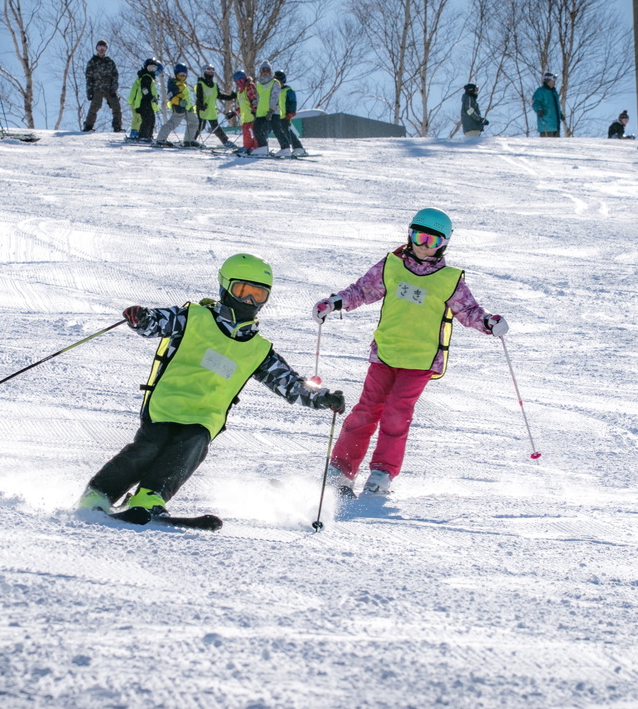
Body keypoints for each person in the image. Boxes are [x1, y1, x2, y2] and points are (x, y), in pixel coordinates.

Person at [76, 253, 346, 524]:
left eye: (258, 295)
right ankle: (99, 494)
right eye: (242, 291)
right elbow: (158, 322)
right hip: (167, 403)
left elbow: (289, 383)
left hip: (205, 416)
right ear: (225, 288)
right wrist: (141, 318)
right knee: (149, 447)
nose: (249, 301)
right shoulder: (193, 317)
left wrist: (323, 398)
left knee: (191, 446)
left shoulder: (259, 349)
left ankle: (150, 496)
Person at [313, 208, 509, 496]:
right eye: (419, 236)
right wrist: (335, 302)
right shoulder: (391, 265)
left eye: (432, 241)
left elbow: (468, 310)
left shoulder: (449, 279)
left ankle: (382, 472)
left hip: (420, 361)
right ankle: (341, 469)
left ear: (444, 244)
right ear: (409, 234)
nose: (423, 245)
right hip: (386, 353)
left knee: (396, 413)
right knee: (366, 410)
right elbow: (363, 290)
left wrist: (489, 322)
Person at [155, 63, 199, 146]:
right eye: (180, 74)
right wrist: (179, 102)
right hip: (179, 108)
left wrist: (189, 106)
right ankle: (160, 139)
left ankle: (188, 141)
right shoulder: (174, 83)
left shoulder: (183, 84)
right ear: (176, 74)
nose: (182, 76)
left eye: (184, 74)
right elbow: (171, 96)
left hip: (187, 108)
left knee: (194, 122)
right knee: (172, 123)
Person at [83, 40, 122, 133]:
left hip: (109, 89)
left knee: (116, 106)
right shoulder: (92, 62)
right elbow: (89, 78)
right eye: (99, 47)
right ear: (96, 48)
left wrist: (114, 88)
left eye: (103, 48)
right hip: (97, 88)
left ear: (106, 49)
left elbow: (115, 76)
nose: (101, 50)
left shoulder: (110, 62)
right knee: (94, 107)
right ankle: (88, 127)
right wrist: (89, 92)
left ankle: (117, 127)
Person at [195, 64, 236, 149]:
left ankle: (226, 142)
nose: (210, 74)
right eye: (208, 72)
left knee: (216, 128)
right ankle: (191, 140)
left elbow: (220, 95)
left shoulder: (214, 85)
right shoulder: (200, 84)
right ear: (203, 72)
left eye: (211, 72)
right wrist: (201, 105)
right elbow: (199, 97)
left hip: (211, 110)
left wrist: (231, 96)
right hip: (203, 109)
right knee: (200, 126)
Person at [273, 69, 307, 157]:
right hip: (276, 116)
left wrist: (291, 112)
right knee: (280, 133)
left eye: (279, 81)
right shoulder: (274, 91)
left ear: (283, 81)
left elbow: (292, 101)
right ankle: (285, 148)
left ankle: (298, 148)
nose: (278, 83)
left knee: (287, 132)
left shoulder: (288, 90)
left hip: (285, 115)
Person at [250, 61, 281, 156]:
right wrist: (255, 108)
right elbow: (258, 97)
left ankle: (284, 147)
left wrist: (271, 109)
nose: (265, 72)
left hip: (270, 111)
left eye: (267, 70)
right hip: (261, 111)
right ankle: (262, 147)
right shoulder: (259, 84)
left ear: (270, 71)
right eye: (263, 70)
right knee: (256, 128)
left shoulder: (274, 82)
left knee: (274, 129)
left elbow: (274, 96)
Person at [127, 58, 160, 143]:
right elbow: (144, 89)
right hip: (144, 103)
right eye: (150, 68)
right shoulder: (146, 77)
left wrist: (155, 97)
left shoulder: (149, 78)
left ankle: (148, 135)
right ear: (146, 67)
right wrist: (150, 97)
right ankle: (143, 136)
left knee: (151, 119)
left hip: (149, 103)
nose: (152, 70)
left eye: (154, 68)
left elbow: (150, 90)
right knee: (147, 119)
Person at [532, 73, 562, 137]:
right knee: (547, 145)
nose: (554, 83)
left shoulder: (554, 92)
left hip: (556, 126)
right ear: (548, 81)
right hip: (546, 125)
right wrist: (539, 109)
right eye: (553, 81)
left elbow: (557, 106)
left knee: (557, 145)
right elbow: (535, 102)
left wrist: (560, 114)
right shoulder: (541, 91)